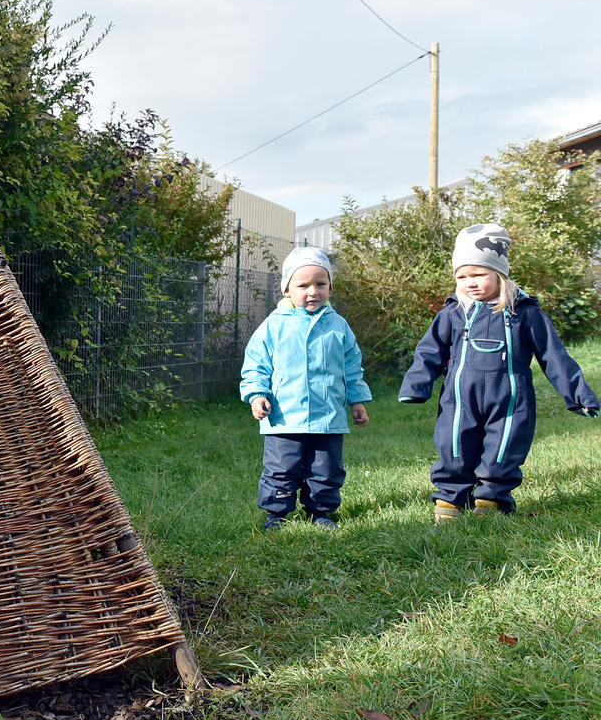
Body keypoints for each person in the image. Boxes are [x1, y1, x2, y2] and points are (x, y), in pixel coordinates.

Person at [399, 223, 598, 522]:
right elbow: (429, 352)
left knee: (503, 450)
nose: (470, 283)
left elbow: (554, 357)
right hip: (459, 401)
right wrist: (415, 386)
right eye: (462, 276)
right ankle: (451, 501)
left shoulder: (525, 313)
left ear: (500, 273)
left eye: (478, 274)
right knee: (454, 448)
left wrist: (578, 395)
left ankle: (491, 501)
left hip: (510, 402)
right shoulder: (452, 314)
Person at [240, 247, 372, 530]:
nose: (313, 291)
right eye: (303, 285)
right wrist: (257, 394)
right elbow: (256, 364)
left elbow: (352, 366)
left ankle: (320, 511)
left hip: (328, 417)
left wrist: (357, 401)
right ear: (288, 288)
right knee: (282, 467)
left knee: (326, 469)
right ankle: (276, 515)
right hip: (285, 417)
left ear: (330, 288)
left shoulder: (338, 325)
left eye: (321, 284)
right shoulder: (274, 326)